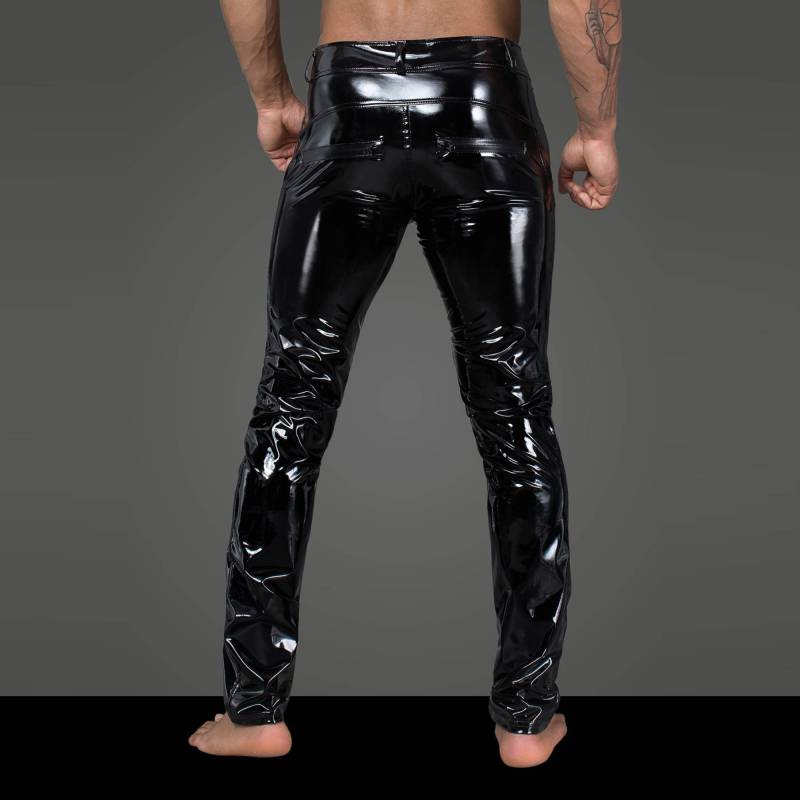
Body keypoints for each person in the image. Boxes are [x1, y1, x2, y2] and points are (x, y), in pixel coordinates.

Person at [189, 0, 621, 768]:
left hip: (349, 104)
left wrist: (271, 97)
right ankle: (526, 719)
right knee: (515, 409)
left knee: (291, 406)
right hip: (483, 105)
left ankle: (254, 710)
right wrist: (598, 127)